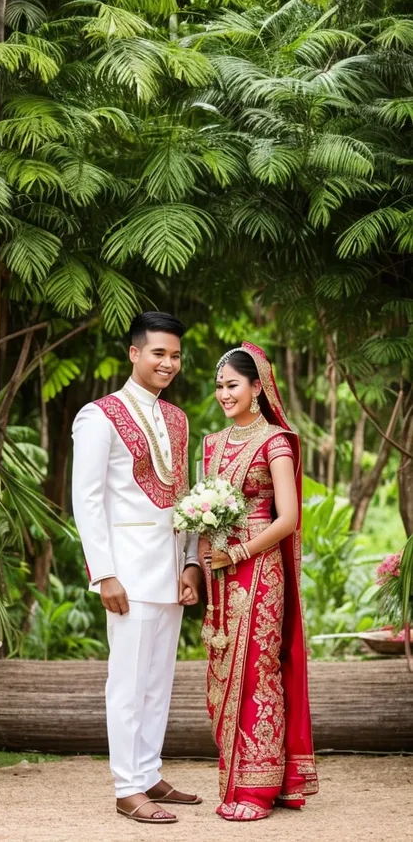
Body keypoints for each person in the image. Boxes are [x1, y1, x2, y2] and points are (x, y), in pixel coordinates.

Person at [72, 312, 202, 825]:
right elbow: (87, 500)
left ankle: (148, 773)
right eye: (158, 353)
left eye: (175, 356)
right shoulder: (98, 415)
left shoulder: (177, 420)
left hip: (170, 572)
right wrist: (104, 572)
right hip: (125, 572)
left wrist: (192, 563)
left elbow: (188, 498)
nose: (168, 363)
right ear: (134, 353)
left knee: (158, 681)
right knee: (126, 682)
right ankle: (127, 788)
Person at [199, 341, 318, 822]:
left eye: (232, 385)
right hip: (219, 575)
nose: (224, 395)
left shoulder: (275, 442)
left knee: (257, 671)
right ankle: (236, 776)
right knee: (221, 671)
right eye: (219, 387)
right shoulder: (210, 443)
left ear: (257, 386)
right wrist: (207, 548)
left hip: (261, 569)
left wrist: (241, 550)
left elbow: (288, 517)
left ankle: (260, 788)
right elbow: (204, 508)